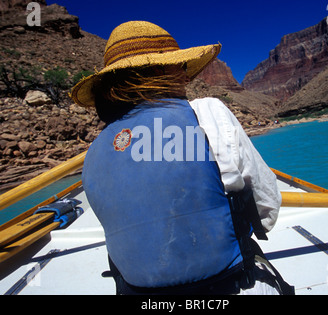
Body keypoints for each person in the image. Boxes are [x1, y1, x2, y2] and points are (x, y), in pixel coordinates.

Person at [70, 21, 291, 295]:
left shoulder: (94, 151)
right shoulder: (207, 112)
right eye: (181, 66)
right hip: (228, 284)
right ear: (160, 70)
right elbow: (266, 206)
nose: (186, 78)